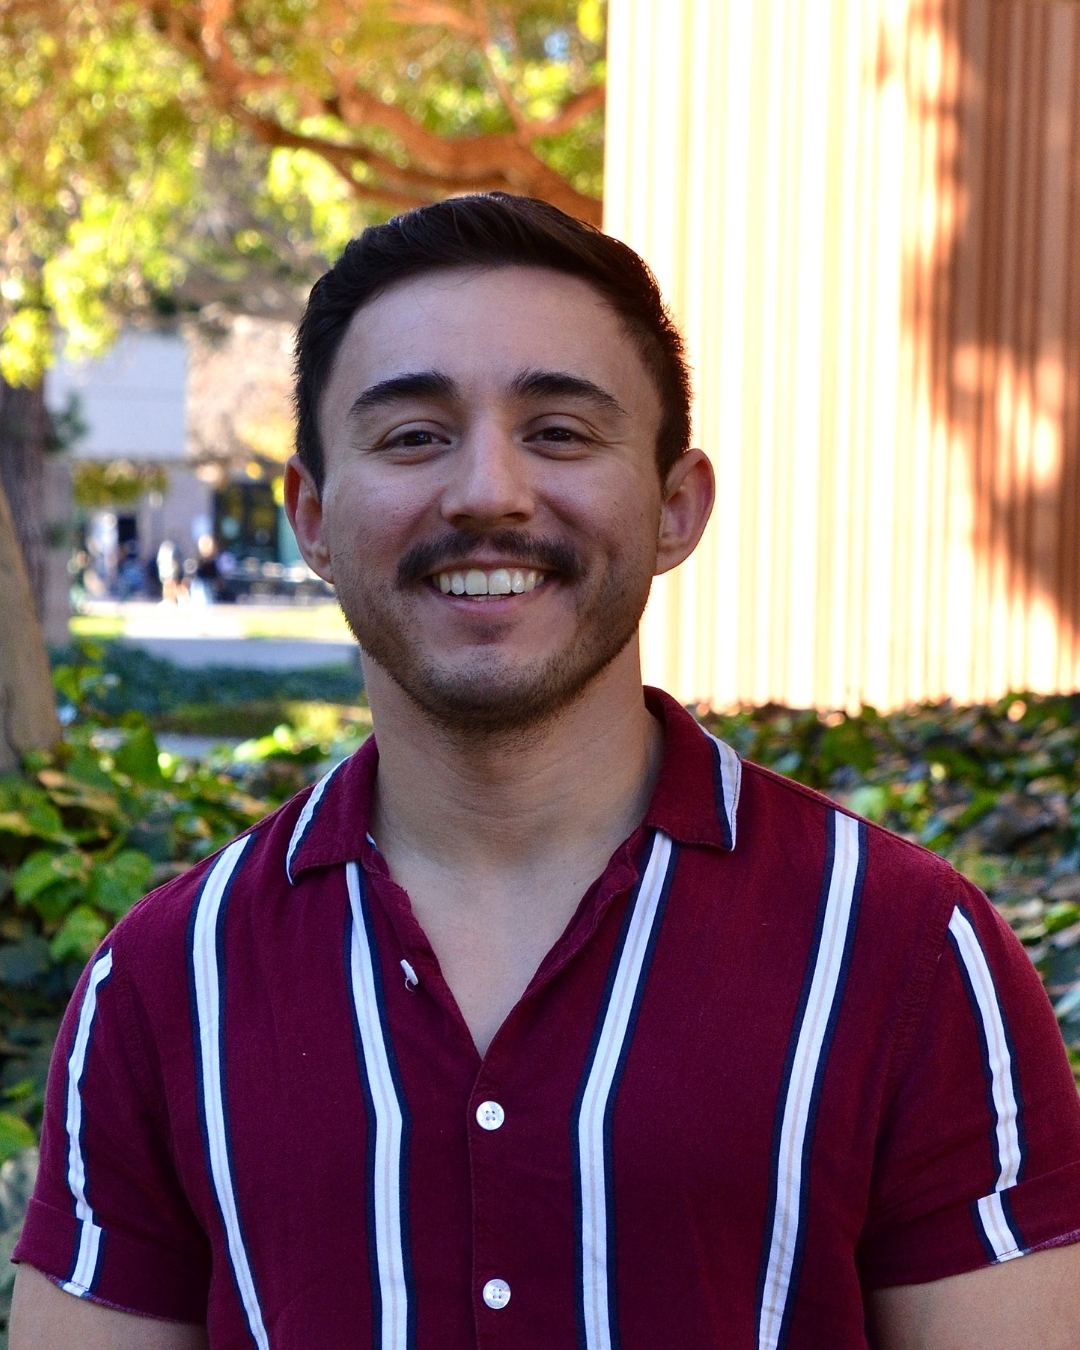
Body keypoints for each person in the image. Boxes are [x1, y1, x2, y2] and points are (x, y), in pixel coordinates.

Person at [10, 194, 1080, 1350]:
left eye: (560, 431)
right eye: (413, 434)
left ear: (676, 507)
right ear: (311, 518)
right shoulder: (168, 984)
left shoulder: (907, 953)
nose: (487, 493)